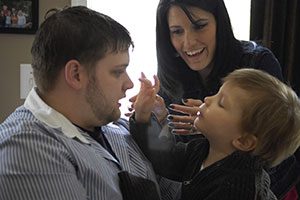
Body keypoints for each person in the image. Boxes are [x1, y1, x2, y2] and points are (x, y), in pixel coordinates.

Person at [0, 6, 165, 200]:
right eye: (118, 72)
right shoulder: (27, 150)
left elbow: (170, 190)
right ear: (76, 75)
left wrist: (158, 126)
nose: (129, 84)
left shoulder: (116, 126)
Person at [150, 0, 300, 198]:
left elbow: (274, 140)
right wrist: (153, 118)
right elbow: (172, 155)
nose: (189, 43)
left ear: (219, 23)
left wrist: (214, 129)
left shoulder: (256, 62)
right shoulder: (171, 77)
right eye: (177, 31)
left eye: (199, 26)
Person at [130, 68, 300, 200]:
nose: (207, 100)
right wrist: (145, 117)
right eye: (216, 93)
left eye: (222, 103)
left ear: (243, 141)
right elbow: (167, 158)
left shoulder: (237, 189)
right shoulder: (203, 148)